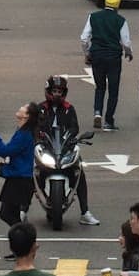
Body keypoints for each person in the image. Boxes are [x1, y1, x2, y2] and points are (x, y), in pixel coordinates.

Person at [33, 76, 99, 225]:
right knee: (31, 171)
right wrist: (38, 139)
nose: (57, 94)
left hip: (64, 148)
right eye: (54, 91)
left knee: (79, 172)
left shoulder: (70, 109)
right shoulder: (40, 108)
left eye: (60, 91)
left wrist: (70, 138)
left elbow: (74, 128)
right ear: (48, 91)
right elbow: (35, 128)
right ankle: (23, 210)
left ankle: (85, 212)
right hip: (46, 147)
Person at [80, 0, 133, 131]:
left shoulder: (93, 17)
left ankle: (97, 112)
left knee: (100, 87)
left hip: (97, 56)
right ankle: (109, 121)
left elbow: (84, 38)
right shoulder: (121, 20)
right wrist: (129, 53)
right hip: (114, 57)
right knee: (113, 89)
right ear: (118, 4)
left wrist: (87, 53)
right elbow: (126, 42)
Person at [0, 103, 38, 228]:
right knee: (12, 214)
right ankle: (22, 237)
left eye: (24, 107)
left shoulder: (24, 134)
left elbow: (5, 151)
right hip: (19, 178)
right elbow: (9, 151)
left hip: (19, 180)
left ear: (26, 116)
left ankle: (24, 237)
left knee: (6, 214)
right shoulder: (23, 131)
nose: (21, 107)